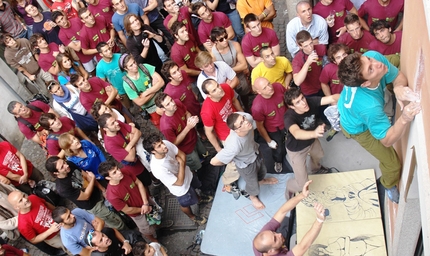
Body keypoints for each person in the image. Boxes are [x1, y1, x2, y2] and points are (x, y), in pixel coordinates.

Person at [337, 51, 421, 203]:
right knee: (392, 164)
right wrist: (405, 118)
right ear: (366, 83)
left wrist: (398, 87)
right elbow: (387, 140)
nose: (377, 63)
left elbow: (397, 76)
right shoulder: (370, 107)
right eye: (370, 69)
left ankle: (387, 86)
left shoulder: (373, 57)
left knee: (394, 60)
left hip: (355, 109)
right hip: (357, 128)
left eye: (368, 59)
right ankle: (387, 185)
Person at [210, 113, 278, 209]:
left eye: (243, 119)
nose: (246, 122)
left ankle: (262, 180)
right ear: (237, 130)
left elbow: (244, 117)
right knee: (252, 185)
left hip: (255, 152)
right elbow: (213, 161)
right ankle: (253, 197)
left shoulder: (248, 119)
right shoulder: (234, 146)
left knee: (262, 170)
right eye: (242, 123)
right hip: (246, 165)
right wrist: (231, 160)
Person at [283, 87, 339, 198]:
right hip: (296, 149)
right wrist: (315, 133)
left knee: (319, 155)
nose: (303, 103)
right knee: (302, 185)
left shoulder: (310, 102)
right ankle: (290, 187)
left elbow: (332, 97)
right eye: (298, 102)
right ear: (291, 106)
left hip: (312, 141)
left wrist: (349, 98)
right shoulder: (289, 117)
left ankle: (315, 169)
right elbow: (297, 133)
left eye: (302, 98)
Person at [143, 135, 211, 225]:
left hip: (188, 174)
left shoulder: (166, 144)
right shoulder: (158, 169)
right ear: (153, 152)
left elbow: (182, 154)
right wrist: (181, 163)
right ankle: (192, 216)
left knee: (194, 188)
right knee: (185, 204)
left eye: (161, 143)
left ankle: (199, 199)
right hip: (181, 189)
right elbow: (179, 182)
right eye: (159, 146)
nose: (164, 145)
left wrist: (181, 165)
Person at [46, 156, 126, 230]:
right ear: (56, 173)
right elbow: (86, 196)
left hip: (97, 192)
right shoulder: (63, 188)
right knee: (113, 219)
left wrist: (103, 190)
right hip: (93, 205)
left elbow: (87, 176)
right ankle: (127, 233)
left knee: (118, 207)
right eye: (62, 167)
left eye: (64, 162)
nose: (66, 165)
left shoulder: (69, 164)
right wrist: (92, 180)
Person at [253, 180, 326, 256]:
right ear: (270, 251)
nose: (279, 234)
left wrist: (302, 195)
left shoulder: (264, 237)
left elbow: (282, 211)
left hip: (279, 247)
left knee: (285, 221)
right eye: (275, 239)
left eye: (274, 232)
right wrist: (319, 220)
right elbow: (303, 246)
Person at [200, 79, 243, 194]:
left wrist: (243, 115)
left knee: (245, 149)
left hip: (238, 124)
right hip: (227, 136)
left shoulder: (226, 88)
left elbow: (234, 100)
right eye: (214, 90)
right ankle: (228, 182)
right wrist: (219, 149)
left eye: (218, 86)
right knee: (233, 162)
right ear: (209, 95)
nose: (219, 89)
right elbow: (209, 132)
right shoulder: (207, 111)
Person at [98, 161, 158, 242]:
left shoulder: (125, 171)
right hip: (137, 213)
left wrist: (146, 203)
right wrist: (143, 209)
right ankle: (154, 240)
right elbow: (127, 210)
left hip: (146, 201)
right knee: (145, 229)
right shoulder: (112, 195)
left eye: (118, 168)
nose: (119, 172)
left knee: (157, 215)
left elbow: (139, 183)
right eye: (114, 172)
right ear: (108, 178)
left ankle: (159, 227)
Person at [155, 92, 207, 172]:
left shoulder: (177, 103)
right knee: (197, 167)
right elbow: (174, 143)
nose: (172, 104)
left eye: (171, 100)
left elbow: (187, 113)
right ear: (163, 109)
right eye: (168, 104)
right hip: (187, 149)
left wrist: (191, 120)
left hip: (195, 138)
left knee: (204, 154)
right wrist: (188, 127)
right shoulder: (166, 126)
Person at [97, 113, 153, 188]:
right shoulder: (110, 145)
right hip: (135, 166)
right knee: (145, 184)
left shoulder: (117, 125)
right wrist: (132, 137)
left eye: (115, 120)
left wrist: (129, 145)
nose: (117, 123)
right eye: (112, 123)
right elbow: (131, 158)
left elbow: (138, 132)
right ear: (106, 129)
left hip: (141, 154)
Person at [252, 77, 289, 173]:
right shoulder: (257, 107)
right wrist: (269, 141)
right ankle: (278, 161)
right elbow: (260, 126)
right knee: (278, 149)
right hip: (274, 129)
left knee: (290, 141)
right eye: (265, 88)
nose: (269, 88)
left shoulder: (278, 87)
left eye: (269, 83)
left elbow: (287, 100)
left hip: (287, 121)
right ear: (259, 92)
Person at [119, 53, 164, 128]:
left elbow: (161, 82)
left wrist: (146, 93)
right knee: (162, 126)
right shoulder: (127, 84)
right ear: (125, 69)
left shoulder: (144, 67)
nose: (135, 65)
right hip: (151, 109)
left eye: (134, 62)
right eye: (131, 65)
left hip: (162, 99)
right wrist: (155, 88)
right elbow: (140, 102)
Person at [210, 26, 251, 108]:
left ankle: (247, 107)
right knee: (232, 99)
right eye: (221, 39)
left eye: (225, 37)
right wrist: (237, 67)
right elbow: (217, 73)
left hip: (239, 75)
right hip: (227, 80)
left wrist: (228, 71)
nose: (225, 40)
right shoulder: (213, 55)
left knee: (245, 94)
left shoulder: (235, 45)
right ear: (215, 42)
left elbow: (244, 65)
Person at [292, 30, 327, 97]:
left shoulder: (321, 48)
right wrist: (307, 63)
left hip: (323, 86)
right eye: (306, 46)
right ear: (300, 46)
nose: (310, 48)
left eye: (311, 43)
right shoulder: (297, 59)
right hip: (309, 92)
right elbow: (297, 82)